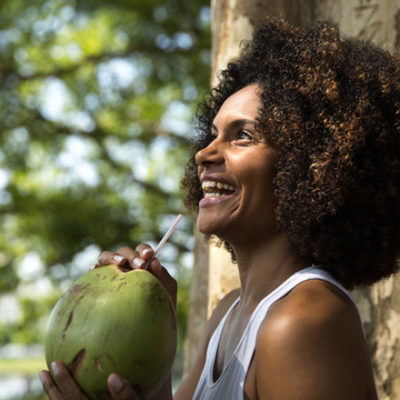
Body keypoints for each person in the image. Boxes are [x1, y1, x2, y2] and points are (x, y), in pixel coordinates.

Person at [40, 17, 400, 399]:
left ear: (312, 166)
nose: (204, 153)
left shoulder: (302, 320)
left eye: (242, 136)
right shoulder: (228, 314)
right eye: (213, 135)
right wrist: (153, 329)